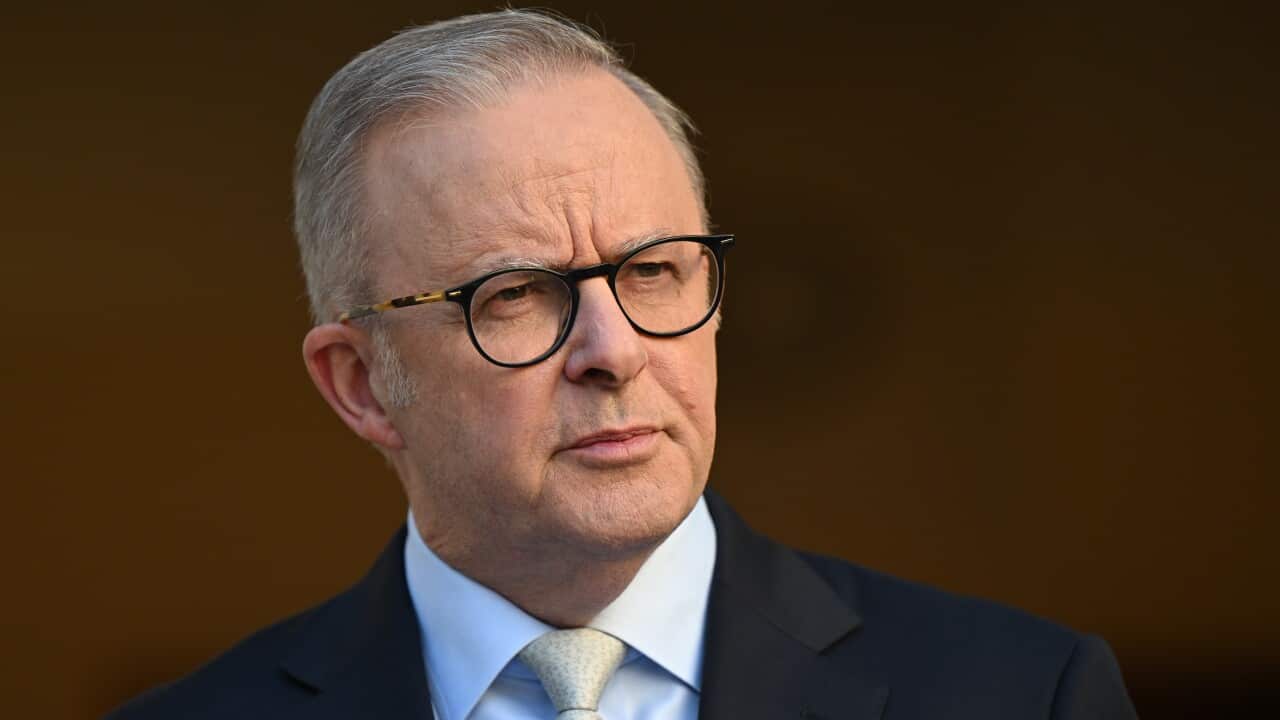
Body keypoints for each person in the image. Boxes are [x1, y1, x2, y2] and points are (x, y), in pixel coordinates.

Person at [110, 9, 1137, 720]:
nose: (614, 352)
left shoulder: (1019, 693)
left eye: (653, 272)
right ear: (362, 383)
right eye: (513, 295)